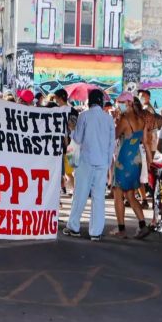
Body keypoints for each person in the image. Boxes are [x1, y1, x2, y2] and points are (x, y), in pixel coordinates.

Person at [63, 88, 115, 241]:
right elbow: (111, 144)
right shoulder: (109, 119)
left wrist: (72, 130)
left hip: (85, 161)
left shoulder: (84, 116)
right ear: (102, 102)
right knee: (99, 198)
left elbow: (77, 139)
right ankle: (95, 232)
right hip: (102, 163)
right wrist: (107, 165)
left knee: (80, 195)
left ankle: (74, 227)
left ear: (89, 101)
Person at [111, 93, 152, 239]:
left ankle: (121, 229)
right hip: (136, 159)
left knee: (117, 193)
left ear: (128, 103)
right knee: (130, 194)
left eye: (120, 102)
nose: (118, 105)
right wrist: (149, 159)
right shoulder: (142, 120)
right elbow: (146, 141)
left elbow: (114, 135)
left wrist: (115, 121)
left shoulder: (124, 119)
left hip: (124, 159)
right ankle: (142, 225)